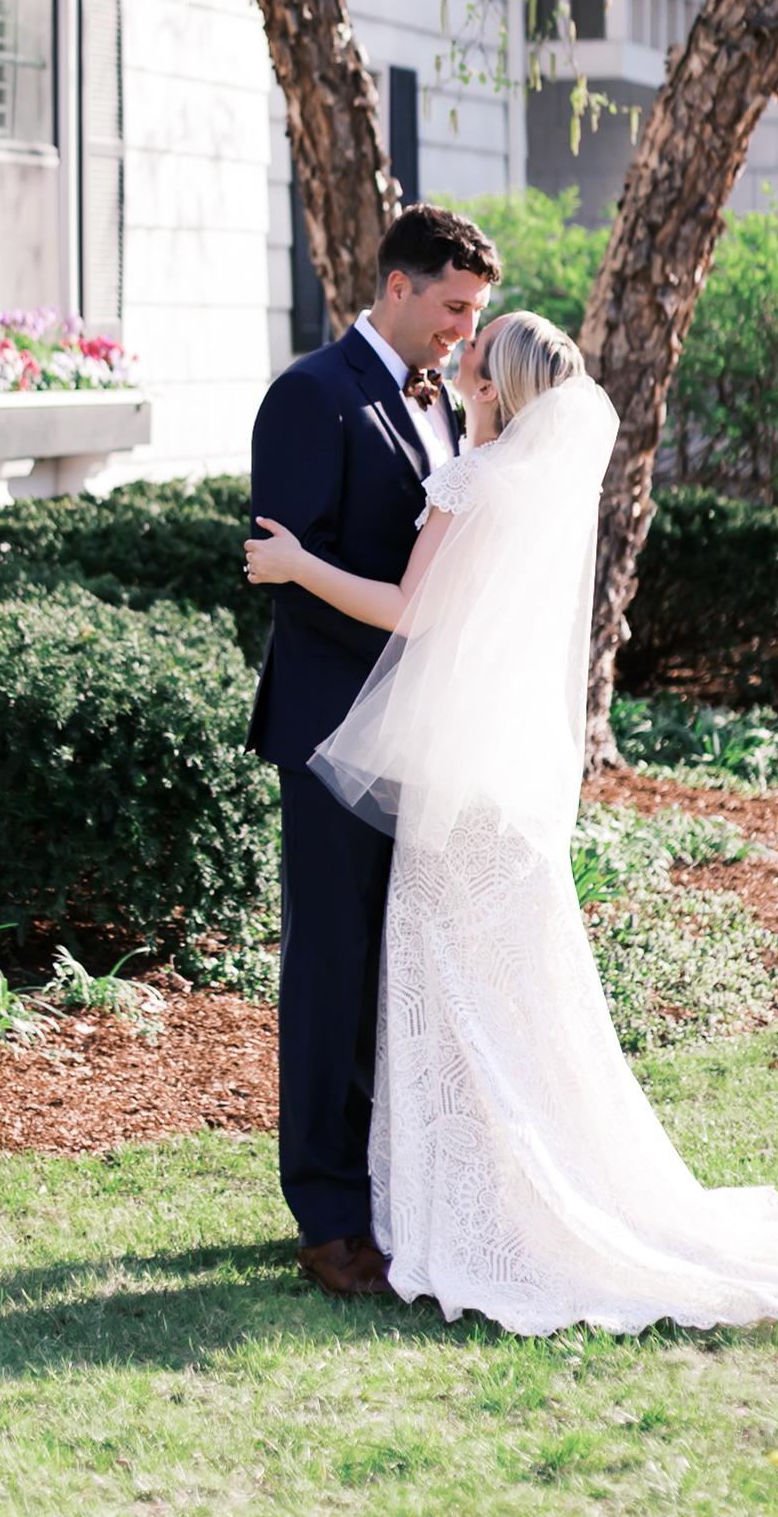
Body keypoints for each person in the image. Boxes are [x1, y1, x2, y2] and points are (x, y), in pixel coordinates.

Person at [248, 308, 778, 1336]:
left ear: (493, 388)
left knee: (443, 990)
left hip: (451, 790)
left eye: (471, 352)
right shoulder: (541, 489)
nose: (454, 362)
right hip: (502, 784)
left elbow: (412, 611)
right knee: (511, 997)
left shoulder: (473, 479)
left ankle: (451, 1208)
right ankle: (503, 1189)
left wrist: (295, 568)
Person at [247, 202, 502, 1298]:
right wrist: (416, 625)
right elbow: (279, 565)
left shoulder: (441, 400)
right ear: (396, 285)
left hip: (414, 738)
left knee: (392, 968)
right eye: (452, 307)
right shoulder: (308, 397)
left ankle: (384, 1188)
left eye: (474, 313)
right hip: (329, 733)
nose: (460, 329)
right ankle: (325, 1216)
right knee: (329, 970)